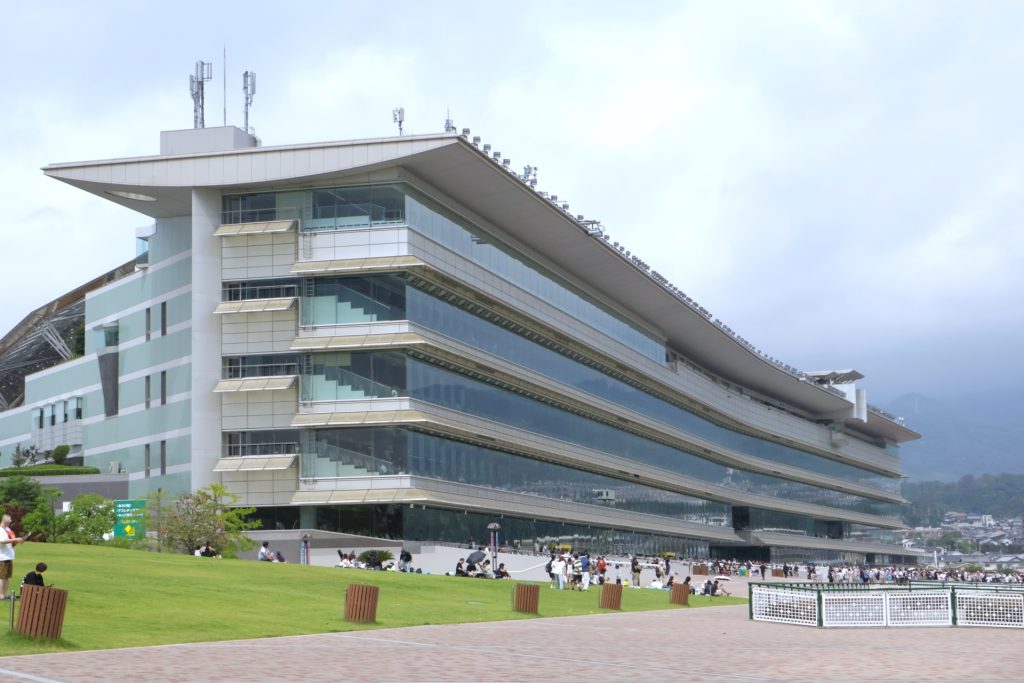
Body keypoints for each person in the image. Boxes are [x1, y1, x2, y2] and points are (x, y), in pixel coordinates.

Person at [0, 514, 24, 600]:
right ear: (5, 521)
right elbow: (3, 541)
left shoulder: (7, 529)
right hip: (2, 557)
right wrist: (15, 539)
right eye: (9, 521)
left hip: (9, 556)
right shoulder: (1, 530)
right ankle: (1, 595)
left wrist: (17, 541)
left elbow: (11, 540)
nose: (10, 522)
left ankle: (5, 594)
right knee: (2, 577)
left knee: (7, 577)